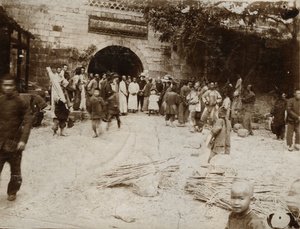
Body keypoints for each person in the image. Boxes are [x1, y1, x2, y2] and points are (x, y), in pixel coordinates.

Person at [0, 74, 33, 201]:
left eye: (10, 85)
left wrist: (23, 140)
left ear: (14, 86)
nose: (7, 88)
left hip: (14, 144)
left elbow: (28, 122)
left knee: (15, 171)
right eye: (5, 85)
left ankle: (12, 191)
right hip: (0, 143)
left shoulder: (21, 102)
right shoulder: (0, 101)